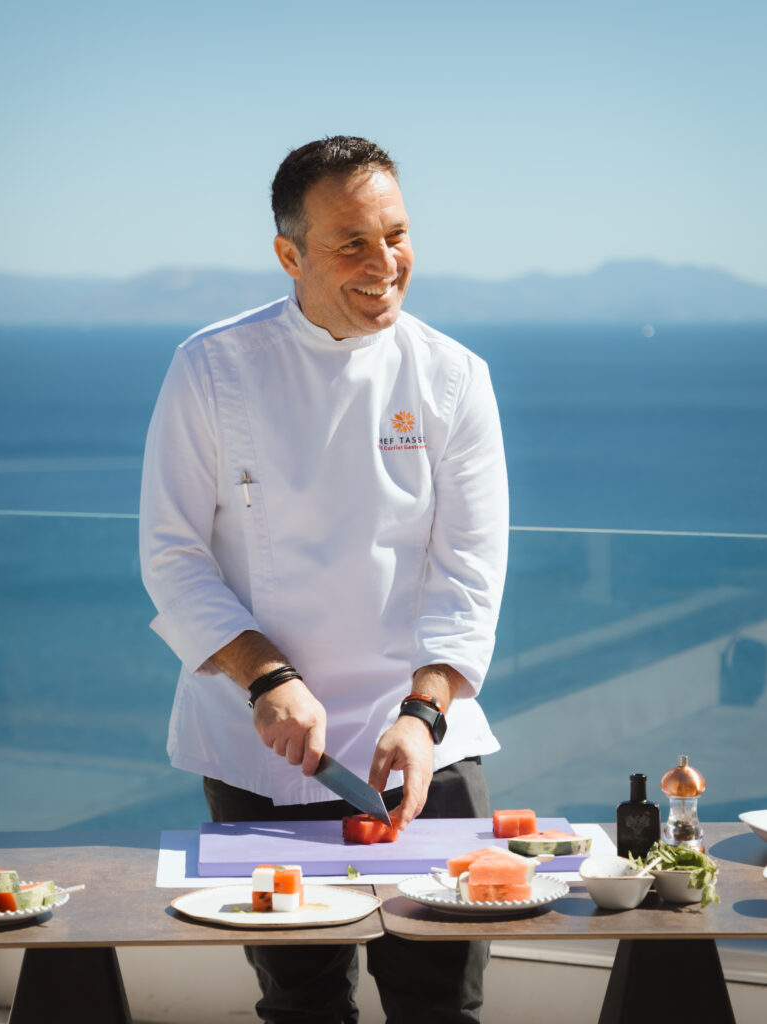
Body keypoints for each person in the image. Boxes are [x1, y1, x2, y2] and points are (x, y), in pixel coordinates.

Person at [140, 135, 509, 1023]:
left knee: (442, 1005)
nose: (384, 263)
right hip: (260, 744)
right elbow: (173, 554)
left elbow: (469, 571)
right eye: (351, 243)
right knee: (301, 1004)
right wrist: (268, 680)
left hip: (423, 743)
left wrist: (423, 714)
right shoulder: (211, 367)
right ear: (289, 255)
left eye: (396, 235)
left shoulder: (453, 376)